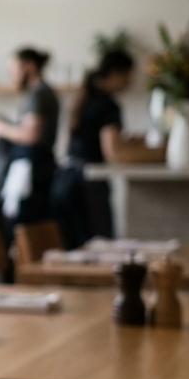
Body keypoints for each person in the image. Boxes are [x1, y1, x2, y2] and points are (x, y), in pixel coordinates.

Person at [60, 50, 135, 246]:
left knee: (74, 247)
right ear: (116, 73)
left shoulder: (85, 97)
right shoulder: (107, 105)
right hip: (89, 184)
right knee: (99, 246)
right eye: (128, 76)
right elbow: (112, 151)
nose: (130, 82)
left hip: (66, 179)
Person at [0, 47, 59, 246]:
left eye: (14, 68)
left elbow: (31, 134)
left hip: (32, 171)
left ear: (29, 65)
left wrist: (1, 128)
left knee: (23, 233)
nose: (12, 74)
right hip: (38, 169)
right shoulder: (41, 92)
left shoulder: (38, 94)